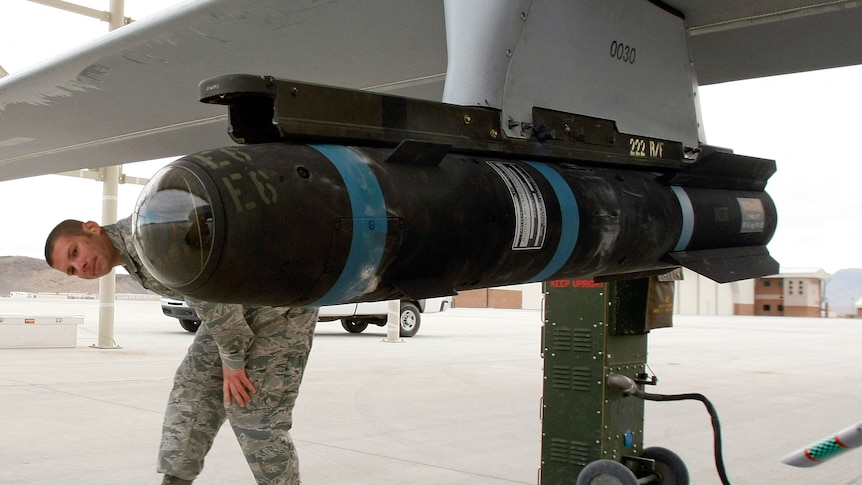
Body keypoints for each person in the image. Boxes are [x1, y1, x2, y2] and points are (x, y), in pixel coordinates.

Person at [45, 217, 318, 485]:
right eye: (71, 269)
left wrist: (233, 363)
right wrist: (229, 357)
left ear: (92, 228)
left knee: (253, 413)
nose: (79, 266)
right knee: (192, 389)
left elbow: (212, 301)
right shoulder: (133, 252)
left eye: (75, 252)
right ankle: (176, 479)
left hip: (281, 292)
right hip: (236, 301)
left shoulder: (149, 239)